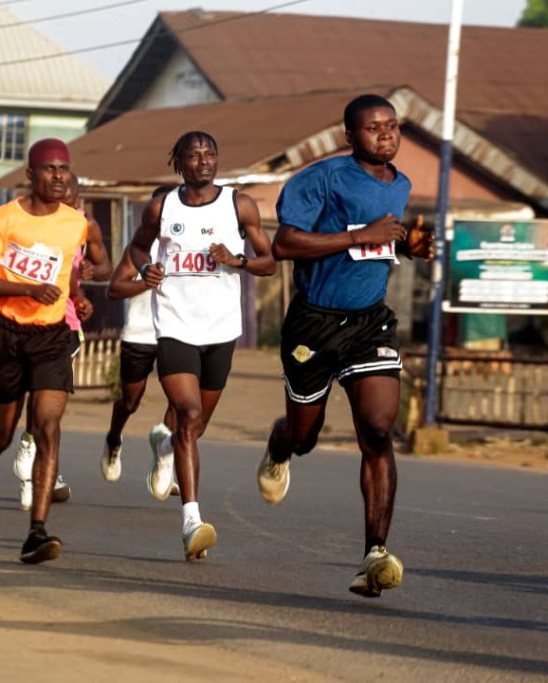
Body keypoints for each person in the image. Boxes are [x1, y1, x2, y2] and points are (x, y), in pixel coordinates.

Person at [255, 94, 434, 598]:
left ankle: (374, 555)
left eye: (393, 127)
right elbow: (285, 245)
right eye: (374, 128)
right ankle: (280, 443)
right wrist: (363, 236)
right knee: (305, 436)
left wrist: (406, 246)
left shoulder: (400, 184)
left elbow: (379, 240)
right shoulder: (322, 179)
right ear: (349, 136)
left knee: (378, 431)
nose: (386, 135)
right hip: (313, 322)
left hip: (370, 323)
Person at [128, 131, 275, 561]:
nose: (203, 160)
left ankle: (165, 447)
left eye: (210, 153)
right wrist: (148, 269)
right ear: (180, 162)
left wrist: (239, 260)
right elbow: (138, 247)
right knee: (188, 415)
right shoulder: (162, 206)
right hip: (174, 326)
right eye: (193, 155)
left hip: (220, 331)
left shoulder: (239, 205)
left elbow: (269, 262)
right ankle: (192, 520)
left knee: (196, 426)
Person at [0, 138, 88, 564]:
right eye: (49, 169)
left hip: (52, 337)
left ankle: (37, 531)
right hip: (6, 334)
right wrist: (26, 288)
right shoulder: (2, 219)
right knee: (2, 433)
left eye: (63, 170)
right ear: (30, 175)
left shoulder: (75, 223)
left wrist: (78, 297)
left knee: (47, 427)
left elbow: (66, 269)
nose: (58, 177)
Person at [10, 174, 108, 510]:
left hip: (64, 319)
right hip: (22, 316)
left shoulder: (85, 225)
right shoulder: (27, 221)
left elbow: (104, 263)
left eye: (70, 197)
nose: (63, 201)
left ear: (78, 197)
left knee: (46, 397)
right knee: (24, 388)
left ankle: (29, 455)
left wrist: (95, 271)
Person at [103, 239, 177, 489]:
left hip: (179, 333)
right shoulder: (143, 247)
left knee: (181, 400)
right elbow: (113, 289)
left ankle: (163, 455)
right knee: (130, 401)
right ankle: (114, 439)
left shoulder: (199, 242)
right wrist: (146, 282)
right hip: (140, 333)